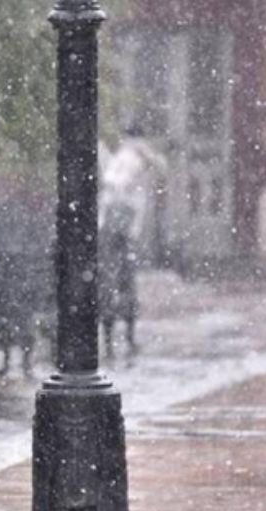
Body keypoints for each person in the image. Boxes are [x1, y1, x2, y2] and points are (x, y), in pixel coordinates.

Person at [97, 124, 167, 359]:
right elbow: (114, 181)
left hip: (116, 227)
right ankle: (122, 337)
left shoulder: (131, 156)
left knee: (116, 280)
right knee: (120, 280)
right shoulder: (130, 157)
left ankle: (118, 337)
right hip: (119, 227)